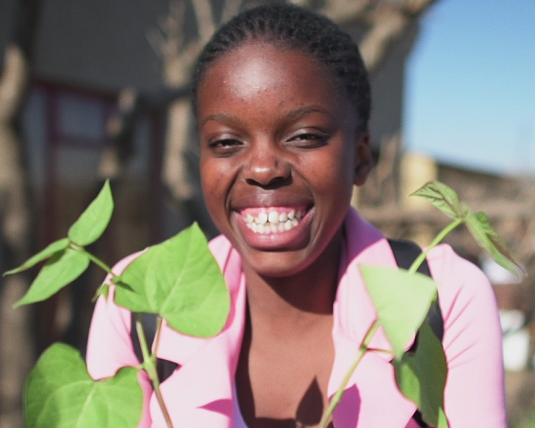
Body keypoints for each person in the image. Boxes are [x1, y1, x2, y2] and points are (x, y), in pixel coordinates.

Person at [86, 4, 506, 428]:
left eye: (304, 136)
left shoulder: (439, 298)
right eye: (227, 142)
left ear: (361, 159)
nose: (263, 169)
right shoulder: (136, 298)